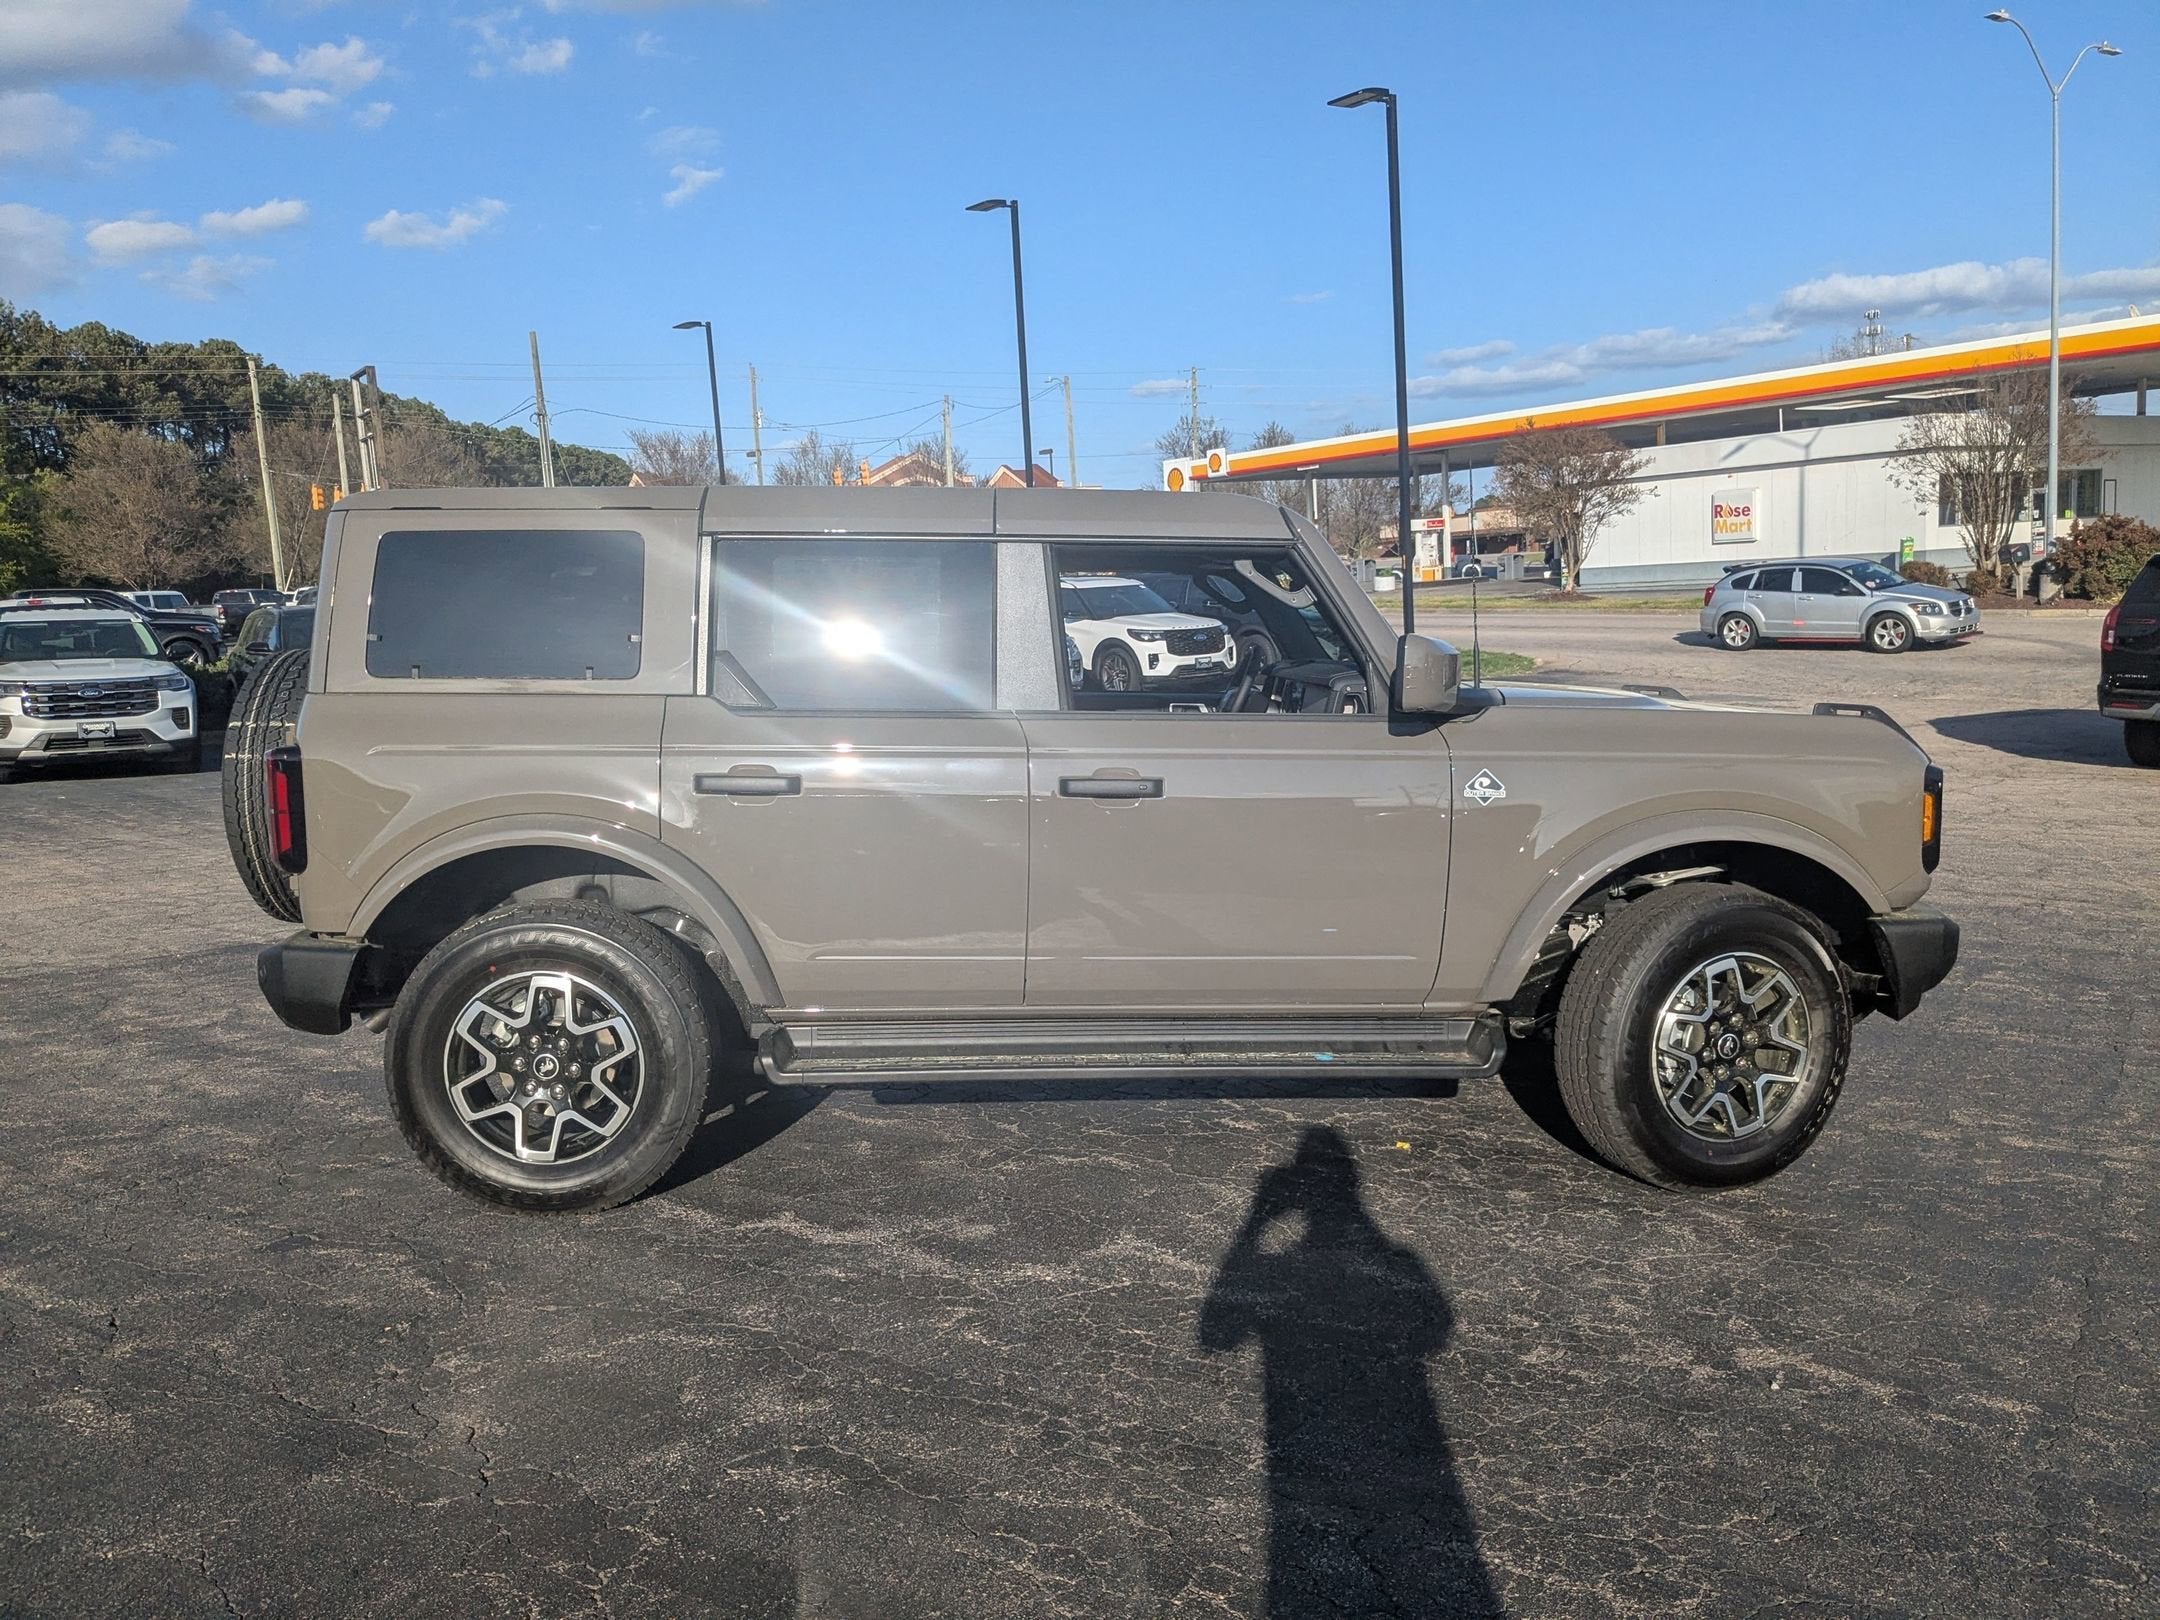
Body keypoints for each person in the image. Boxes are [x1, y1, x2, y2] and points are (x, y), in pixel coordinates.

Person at [1200, 1127, 1499, 1617]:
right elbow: (1436, 1331)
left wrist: (1254, 1222)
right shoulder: (1402, 1262)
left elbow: (1215, 1334)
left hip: (1308, 1446)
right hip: (1407, 1436)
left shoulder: (1284, 1265)